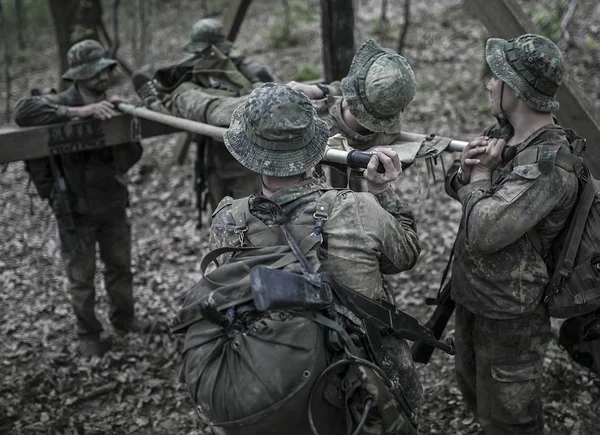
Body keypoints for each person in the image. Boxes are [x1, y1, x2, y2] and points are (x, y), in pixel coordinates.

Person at [175, 83, 423, 434]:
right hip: (369, 384)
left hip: (279, 380)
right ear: (313, 148)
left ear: (250, 152)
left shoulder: (228, 219)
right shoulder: (357, 208)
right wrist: (382, 193)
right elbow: (406, 255)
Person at [444, 34, 579, 434]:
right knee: (473, 391)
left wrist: (479, 177)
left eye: (496, 77)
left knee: (511, 420)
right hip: (473, 297)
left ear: (515, 90)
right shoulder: (504, 133)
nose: (488, 83)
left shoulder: (550, 164)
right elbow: (468, 197)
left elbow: (485, 230)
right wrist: (465, 173)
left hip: (510, 315)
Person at [14, 39, 152, 357]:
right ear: (77, 76)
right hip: (73, 209)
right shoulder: (57, 104)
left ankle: (125, 319)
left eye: (103, 72)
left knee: (120, 265)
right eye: (93, 74)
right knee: (81, 277)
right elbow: (22, 112)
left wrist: (116, 124)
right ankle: (88, 334)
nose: (101, 79)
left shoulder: (113, 107)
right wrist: (79, 111)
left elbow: (132, 152)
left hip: (111, 202)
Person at [135, 18, 278, 208]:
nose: (200, 55)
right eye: (198, 52)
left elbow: (269, 100)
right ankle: (155, 101)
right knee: (222, 221)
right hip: (214, 160)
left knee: (253, 220)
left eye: (205, 51)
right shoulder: (195, 75)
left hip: (248, 163)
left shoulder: (248, 69)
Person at [287, 39, 417, 188]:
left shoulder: (307, 124)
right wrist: (324, 90)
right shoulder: (389, 130)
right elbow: (351, 96)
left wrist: (322, 91)